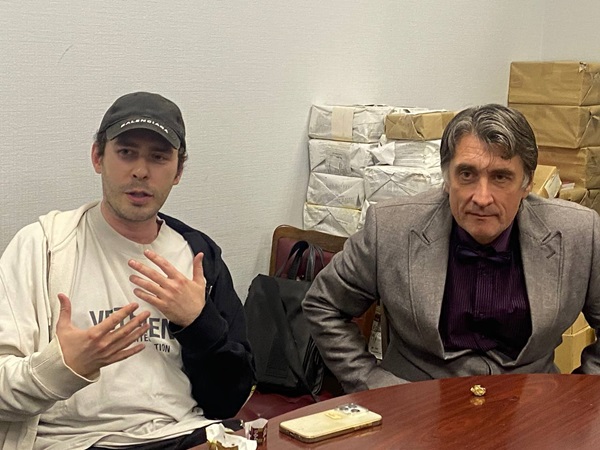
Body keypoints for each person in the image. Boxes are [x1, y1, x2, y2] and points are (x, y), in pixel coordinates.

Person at [0, 92, 255, 449]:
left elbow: (229, 400)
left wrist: (199, 324)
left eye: (159, 157)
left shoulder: (197, 257)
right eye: (126, 152)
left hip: (182, 435)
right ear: (97, 157)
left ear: (178, 171)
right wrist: (63, 366)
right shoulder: (43, 246)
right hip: (74, 443)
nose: (141, 171)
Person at [302, 103, 600, 393]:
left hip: (530, 404)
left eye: (500, 177)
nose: (482, 198)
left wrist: (580, 396)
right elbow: (323, 305)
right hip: (417, 403)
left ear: (527, 183)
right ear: (446, 178)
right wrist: (372, 382)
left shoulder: (579, 233)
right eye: (467, 175)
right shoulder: (391, 227)